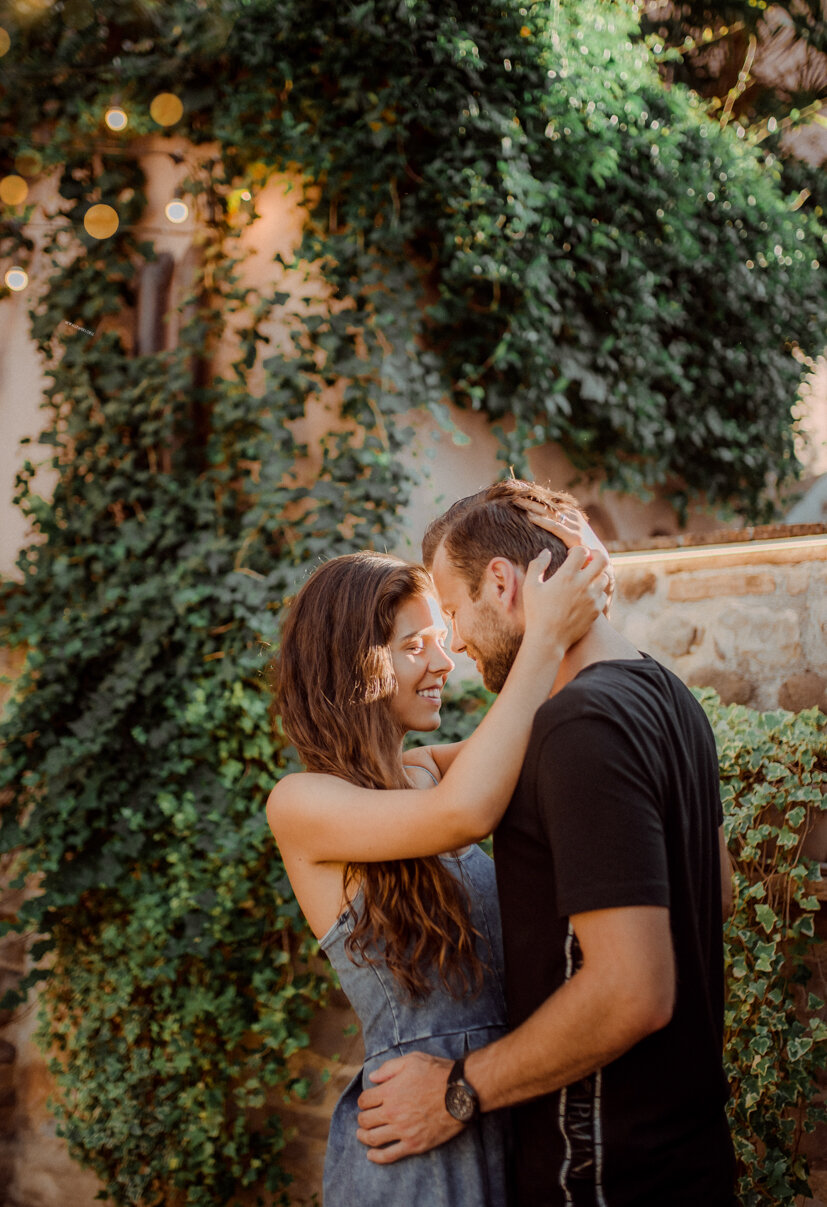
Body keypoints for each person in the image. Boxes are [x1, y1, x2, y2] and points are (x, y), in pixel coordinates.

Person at [356, 479, 737, 1207]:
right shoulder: (670, 697)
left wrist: (456, 1091)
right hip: (688, 1159)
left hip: (600, 1172)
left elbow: (632, 989)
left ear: (501, 582)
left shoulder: (578, 727)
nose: (457, 641)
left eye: (456, 609)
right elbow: (715, 892)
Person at [266, 539, 610, 1207]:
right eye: (414, 643)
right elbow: (466, 813)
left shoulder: (423, 769)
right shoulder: (301, 802)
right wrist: (542, 639)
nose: (444, 660)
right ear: (355, 663)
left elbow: (538, 739)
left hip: (499, 1098)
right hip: (414, 1146)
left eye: (439, 638)